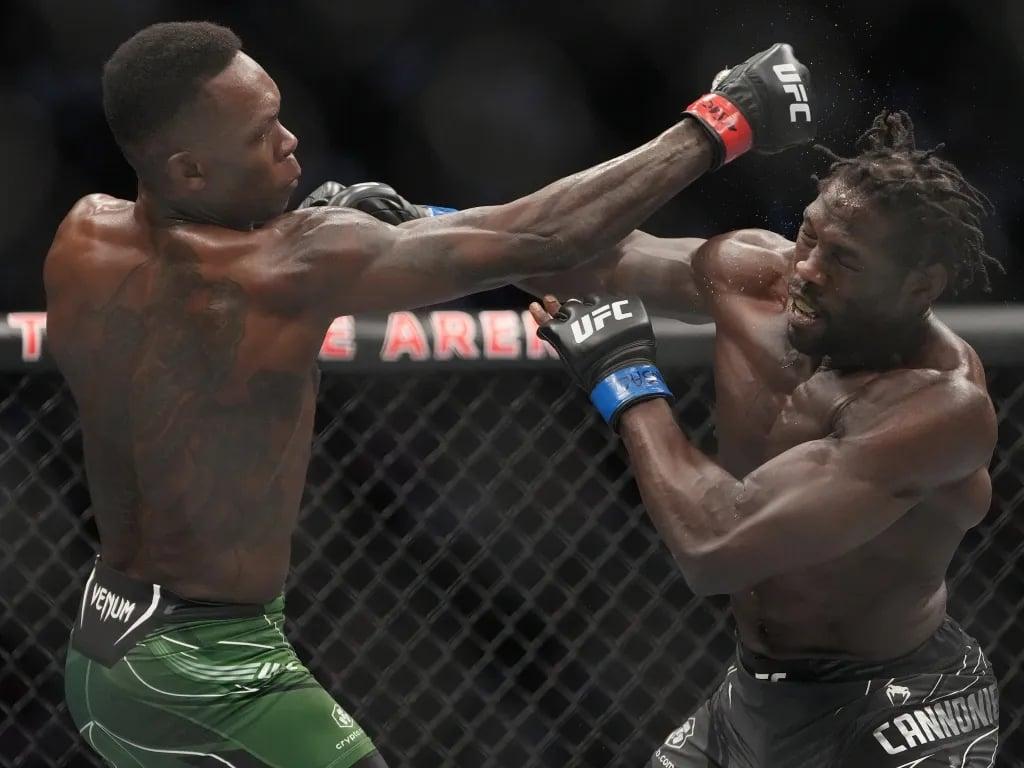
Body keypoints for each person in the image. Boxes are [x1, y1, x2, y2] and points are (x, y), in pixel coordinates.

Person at [45, 20, 813, 768]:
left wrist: (360, 230)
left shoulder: (82, 236)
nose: (292, 142)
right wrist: (721, 120)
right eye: (263, 133)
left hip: (103, 640)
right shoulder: (288, 267)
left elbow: (203, 314)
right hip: (212, 667)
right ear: (189, 172)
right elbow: (543, 240)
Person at [528, 109, 1002, 767]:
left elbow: (714, 547)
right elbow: (588, 255)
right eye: (807, 235)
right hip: (754, 696)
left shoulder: (938, 405)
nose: (806, 269)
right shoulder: (753, 275)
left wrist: (624, 378)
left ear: (918, 287)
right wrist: (419, 221)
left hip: (897, 703)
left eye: (843, 260)